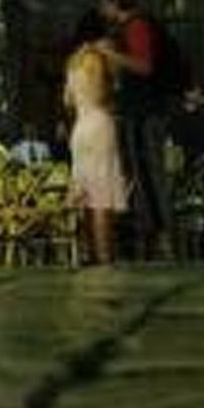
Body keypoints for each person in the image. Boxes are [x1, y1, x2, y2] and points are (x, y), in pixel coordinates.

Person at [99, 0, 175, 259]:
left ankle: (163, 236)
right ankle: (148, 235)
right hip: (133, 113)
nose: (102, 8)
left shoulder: (137, 25)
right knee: (137, 176)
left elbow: (144, 66)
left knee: (151, 175)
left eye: (105, 2)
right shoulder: (121, 30)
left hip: (146, 113)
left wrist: (112, 55)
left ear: (116, 3)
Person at [63, 40, 126, 266]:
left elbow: (67, 100)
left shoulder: (73, 65)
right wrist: (113, 79)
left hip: (80, 129)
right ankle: (104, 255)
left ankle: (88, 253)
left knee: (85, 193)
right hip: (99, 124)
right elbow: (101, 96)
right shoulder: (97, 62)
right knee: (101, 197)